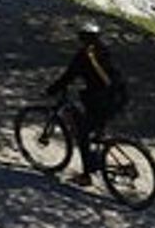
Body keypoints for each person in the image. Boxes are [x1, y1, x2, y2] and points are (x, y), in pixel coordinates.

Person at [46, 20, 128, 185]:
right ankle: (98, 156)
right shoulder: (104, 50)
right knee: (95, 127)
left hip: (104, 100)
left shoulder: (83, 56)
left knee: (83, 133)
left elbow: (67, 77)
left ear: (81, 37)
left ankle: (86, 175)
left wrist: (50, 91)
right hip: (120, 96)